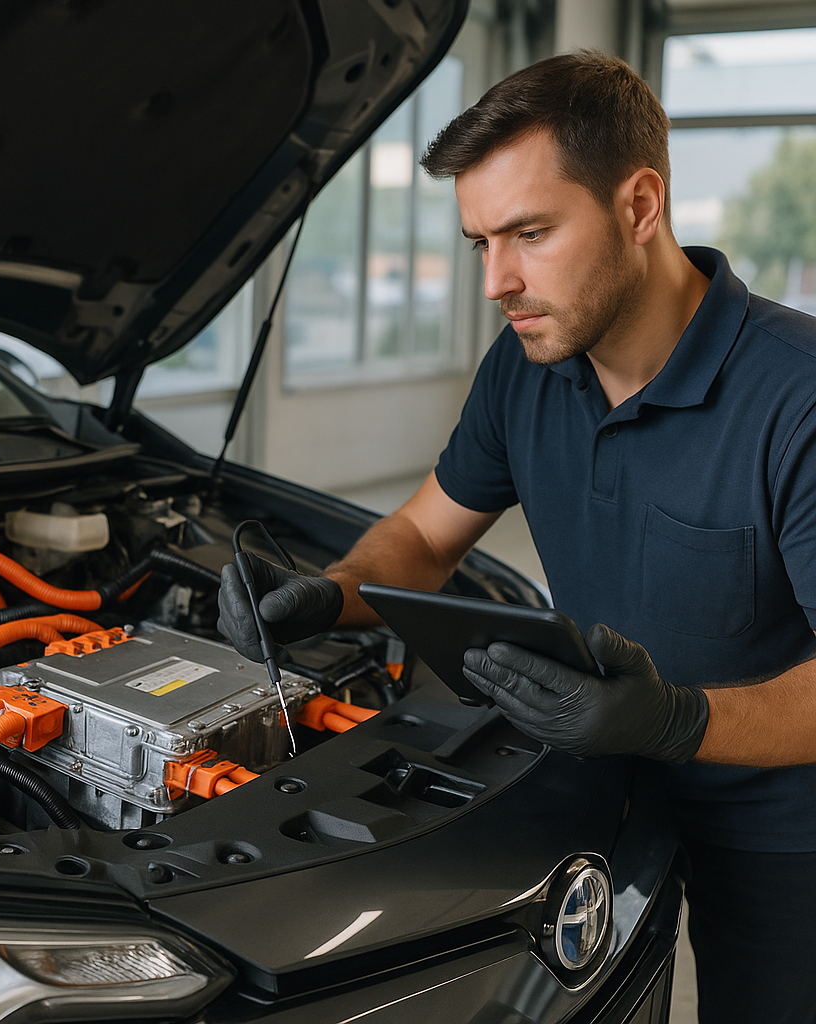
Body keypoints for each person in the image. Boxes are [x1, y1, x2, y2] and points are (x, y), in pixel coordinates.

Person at [218, 50, 816, 1023]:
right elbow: (420, 534)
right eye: (478, 242)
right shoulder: (526, 365)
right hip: (596, 786)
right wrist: (332, 589)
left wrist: (675, 720)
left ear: (638, 206)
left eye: (530, 233)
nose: (496, 281)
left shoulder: (797, 396)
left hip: (784, 839)